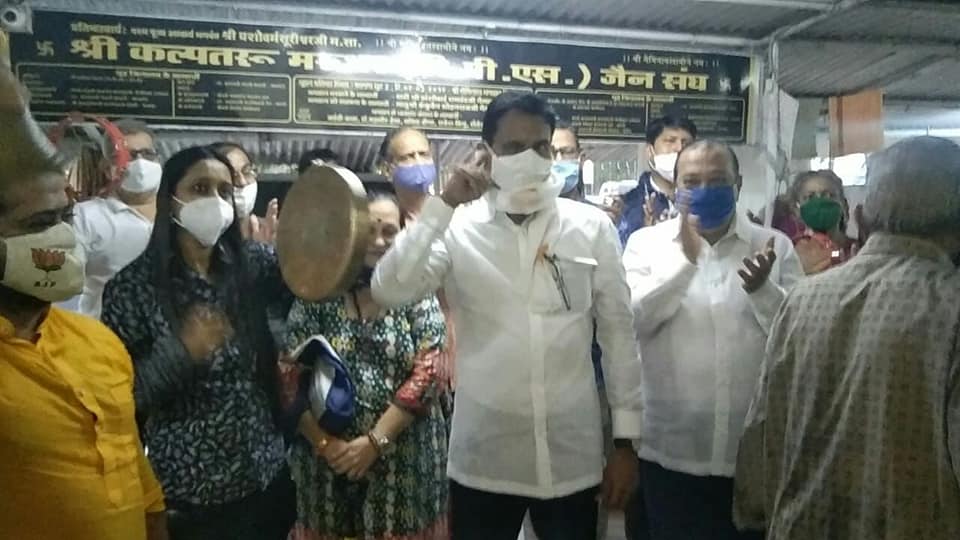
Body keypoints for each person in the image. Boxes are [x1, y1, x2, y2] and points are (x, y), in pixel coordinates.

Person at [372, 91, 642, 540]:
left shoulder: (590, 227)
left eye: (540, 147)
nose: (531, 159)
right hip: (484, 461)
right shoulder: (458, 227)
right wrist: (444, 204)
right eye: (514, 149)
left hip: (571, 459)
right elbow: (388, 288)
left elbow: (618, 335)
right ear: (487, 153)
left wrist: (626, 444)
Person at [733, 136, 960, 539]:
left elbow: (764, 426)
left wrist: (761, 515)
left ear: (860, 215)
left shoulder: (804, 298)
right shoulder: (950, 308)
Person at [0, 65, 167, 540]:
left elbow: (139, 483)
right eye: (38, 223)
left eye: (64, 217)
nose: (62, 236)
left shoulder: (100, 344)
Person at [100, 146, 296, 540]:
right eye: (200, 188)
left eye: (225, 191)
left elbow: (316, 279)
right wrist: (181, 352)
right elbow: (122, 400)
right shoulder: (133, 288)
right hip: (192, 494)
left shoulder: (254, 267)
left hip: (266, 477)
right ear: (171, 199)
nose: (216, 201)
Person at [622, 140, 804, 540]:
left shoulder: (774, 246)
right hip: (669, 452)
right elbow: (634, 322)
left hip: (752, 457)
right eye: (692, 181)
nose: (705, 190)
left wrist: (763, 291)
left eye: (717, 180)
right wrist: (686, 262)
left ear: (738, 186)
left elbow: (799, 337)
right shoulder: (646, 246)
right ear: (675, 186)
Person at [284, 187, 449, 540]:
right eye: (367, 230)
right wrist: (327, 446)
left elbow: (430, 371)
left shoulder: (415, 290)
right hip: (326, 466)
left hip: (405, 464)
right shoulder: (317, 291)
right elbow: (288, 376)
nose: (377, 241)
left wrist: (375, 442)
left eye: (389, 231)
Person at [66, 118, 160, 318]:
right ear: (108, 167)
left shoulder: (178, 212)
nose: (141, 163)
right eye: (129, 156)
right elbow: (66, 290)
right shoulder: (84, 217)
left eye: (148, 154)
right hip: (105, 337)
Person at [617, 115, 697, 245]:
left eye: (686, 143)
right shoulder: (626, 205)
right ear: (650, 151)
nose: (679, 148)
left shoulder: (702, 200)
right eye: (671, 141)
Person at [786, 170, 858, 274]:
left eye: (828, 195)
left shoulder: (859, 248)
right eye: (810, 197)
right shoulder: (792, 252)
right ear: (797, 209)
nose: (820, 201)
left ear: (843, 204)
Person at [211, 142, 279, 244]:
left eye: (246, 172)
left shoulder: (272, 231)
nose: (242, 182)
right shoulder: (207, 239)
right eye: (231, 175)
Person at [377, 127, 437, 223]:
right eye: (407, 157)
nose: (419, 162)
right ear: (387, 169)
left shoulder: (452, 216)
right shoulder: (382, 220)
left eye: (424, 154)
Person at [551, 120, 586, 201]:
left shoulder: (594, 213)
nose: (559, 159)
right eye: (549, 151)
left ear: (581, 159)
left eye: (567, 151)